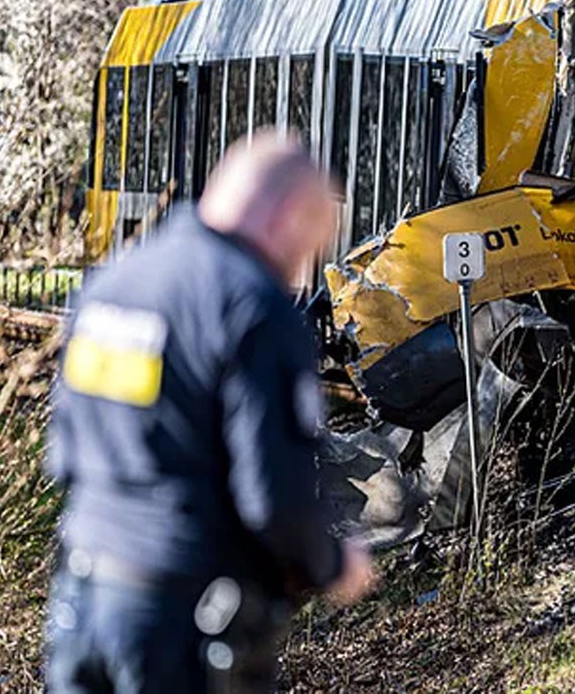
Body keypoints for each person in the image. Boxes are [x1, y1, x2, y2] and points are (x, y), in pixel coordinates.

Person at [45, 133, 375, 693]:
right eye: (306, 247)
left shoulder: (116, 282)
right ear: (289, 216)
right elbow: (273, 495)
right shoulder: (251, 304)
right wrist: (332, 564)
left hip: (82, 602)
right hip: (183, 623)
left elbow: (66, 449)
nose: (297, 271)